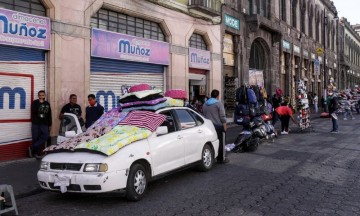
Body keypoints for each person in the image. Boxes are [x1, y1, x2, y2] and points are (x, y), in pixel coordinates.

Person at [202, 89, 229, 164]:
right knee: (221, 142)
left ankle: (213, 156)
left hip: (208, 127)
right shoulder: (218, 104)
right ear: (218, 96)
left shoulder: (205, 104)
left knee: (211, 142)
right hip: (218, 126)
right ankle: (221, 158)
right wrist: (225, 126)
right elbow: (222, 116)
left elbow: (203, 114)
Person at [29, 90, 52, 159]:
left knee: (45, 136)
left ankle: (32, 147)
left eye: (42, 95)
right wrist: (40, 104)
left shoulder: (47, 104)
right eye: (40, 95)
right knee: (35, 138)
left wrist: (50, 124)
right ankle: (34, 153)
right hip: (36, 123)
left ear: (45, 96)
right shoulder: (35, 103)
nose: (41, 96)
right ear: (38, 96)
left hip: (44, 123)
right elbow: (34, 111)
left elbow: (49, 114)